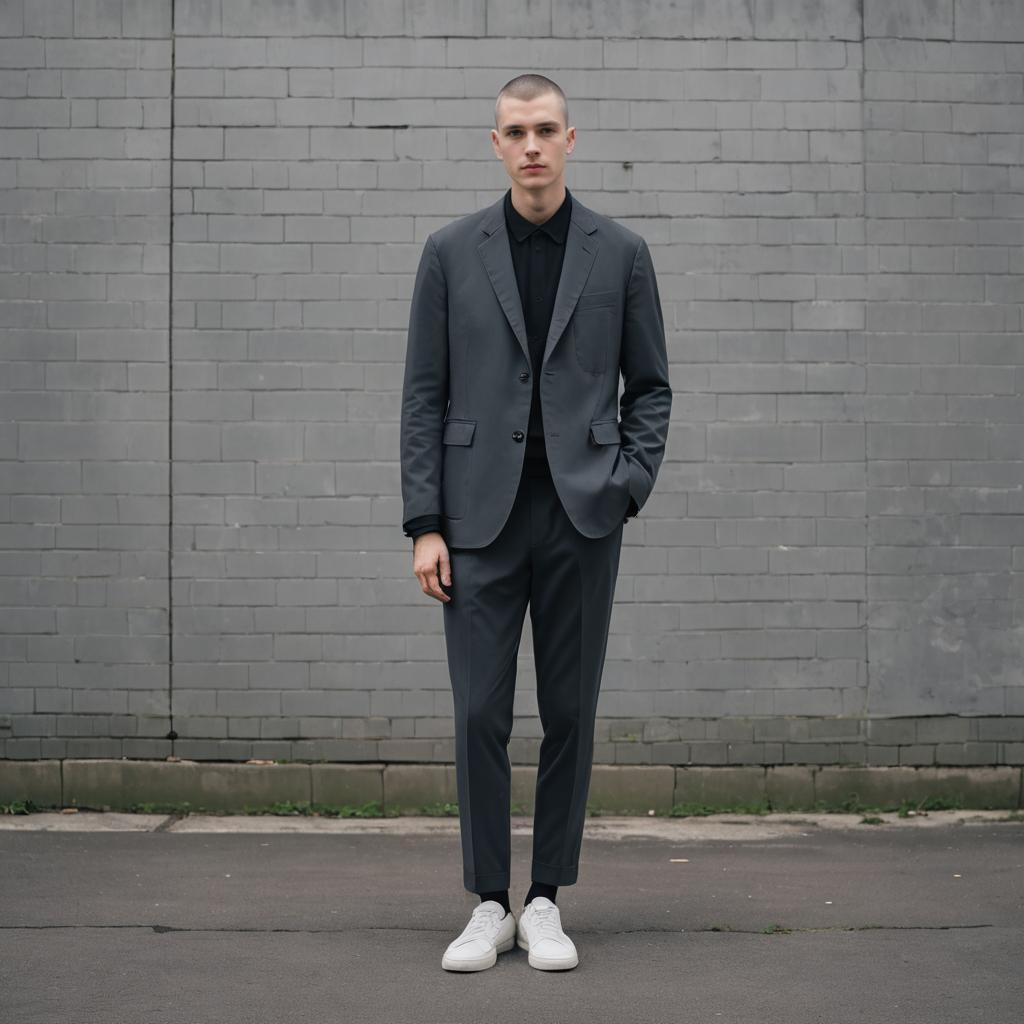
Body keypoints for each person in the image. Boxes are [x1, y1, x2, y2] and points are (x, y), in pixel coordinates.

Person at [400, 73, 672, 972]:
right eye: (515, 130)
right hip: (476, 524)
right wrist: (424, 523)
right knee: (478, 712)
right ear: (495, 142)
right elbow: (425, 398)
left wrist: (625, 486)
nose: (531, 145)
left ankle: (547, 896)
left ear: (570, 138)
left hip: (581, 518)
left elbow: (652, 389)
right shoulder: (449, 251)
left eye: (546, 129)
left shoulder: (621, 252)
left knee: (570, 714)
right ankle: (487, 901)